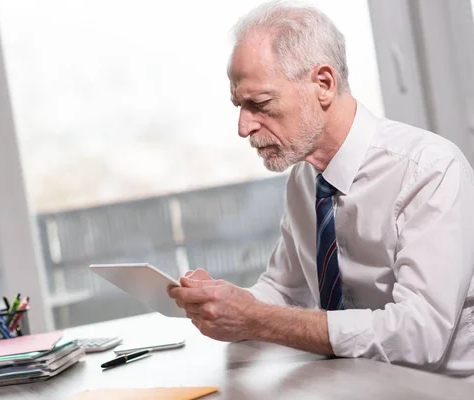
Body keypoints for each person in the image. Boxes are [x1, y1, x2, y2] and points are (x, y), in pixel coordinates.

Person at [168, 1, 474, 377]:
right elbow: (282, 289)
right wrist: (226, 303)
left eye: (259, 104)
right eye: (239, 106)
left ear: (323, 84)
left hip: (441, 389)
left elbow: (420, 335)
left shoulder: (430, 170)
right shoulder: (306, 179)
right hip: (355, 383)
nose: (244, 126)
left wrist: (258, 319)